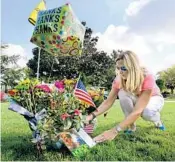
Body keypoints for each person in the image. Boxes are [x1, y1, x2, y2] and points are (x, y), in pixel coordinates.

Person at [86, 51, 165, 143]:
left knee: (146, 112)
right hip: (136, 96)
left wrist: (114, 131)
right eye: (118, 68)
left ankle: (158, 121)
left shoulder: (147, 76)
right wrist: (90, 116)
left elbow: (138, 111)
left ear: (132, 67)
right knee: (122, 93)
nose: (120, 72)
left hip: (153, 98)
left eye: (123, 68)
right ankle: (131, 126)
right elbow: (108, 102)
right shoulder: (119, 79)